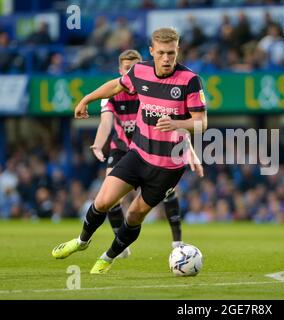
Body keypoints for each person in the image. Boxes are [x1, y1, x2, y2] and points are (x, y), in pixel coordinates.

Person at [52, 27, 207, 274]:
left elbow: (201, 122)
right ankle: (81, 242)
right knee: (102, 201)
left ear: (178, 50)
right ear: (151, 51)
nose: (167, 59)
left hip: (168, 168)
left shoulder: (190, 80)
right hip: (138, 155)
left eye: (172, 53)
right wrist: (86, 99)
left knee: (134, 215)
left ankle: (108, 257)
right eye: (162, 53)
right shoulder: (140, 71)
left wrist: (178, 123)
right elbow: (115, 86)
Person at [90, 49, 193, 258]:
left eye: (134, 68)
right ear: (121, 71)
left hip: (151, 149)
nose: (132, 73)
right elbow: (105, 123)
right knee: (109, 198)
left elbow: (177, 127)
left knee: (168, 191)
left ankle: (177, 241)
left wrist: (190, 151)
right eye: (127, 69)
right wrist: (98, 143)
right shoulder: (112, 94)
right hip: (121, 148)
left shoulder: (150, 91)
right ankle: (121, 245)